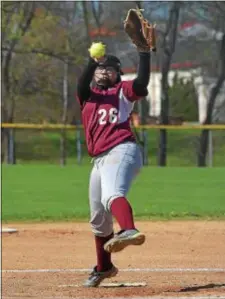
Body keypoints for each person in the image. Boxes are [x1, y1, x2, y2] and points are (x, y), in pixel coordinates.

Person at [76, 46, 151, 287]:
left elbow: (141, 84)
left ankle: (129, 229)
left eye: (110, 69)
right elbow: (81, 84)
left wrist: (144, 54)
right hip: (99, 160)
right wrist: (91, 62)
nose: (104, 72)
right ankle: (104, 267)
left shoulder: (123, 91)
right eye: (100, 68)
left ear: (118, 74)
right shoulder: (87, 95)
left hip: (121, 149)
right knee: (98, 218)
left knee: (112, 195)